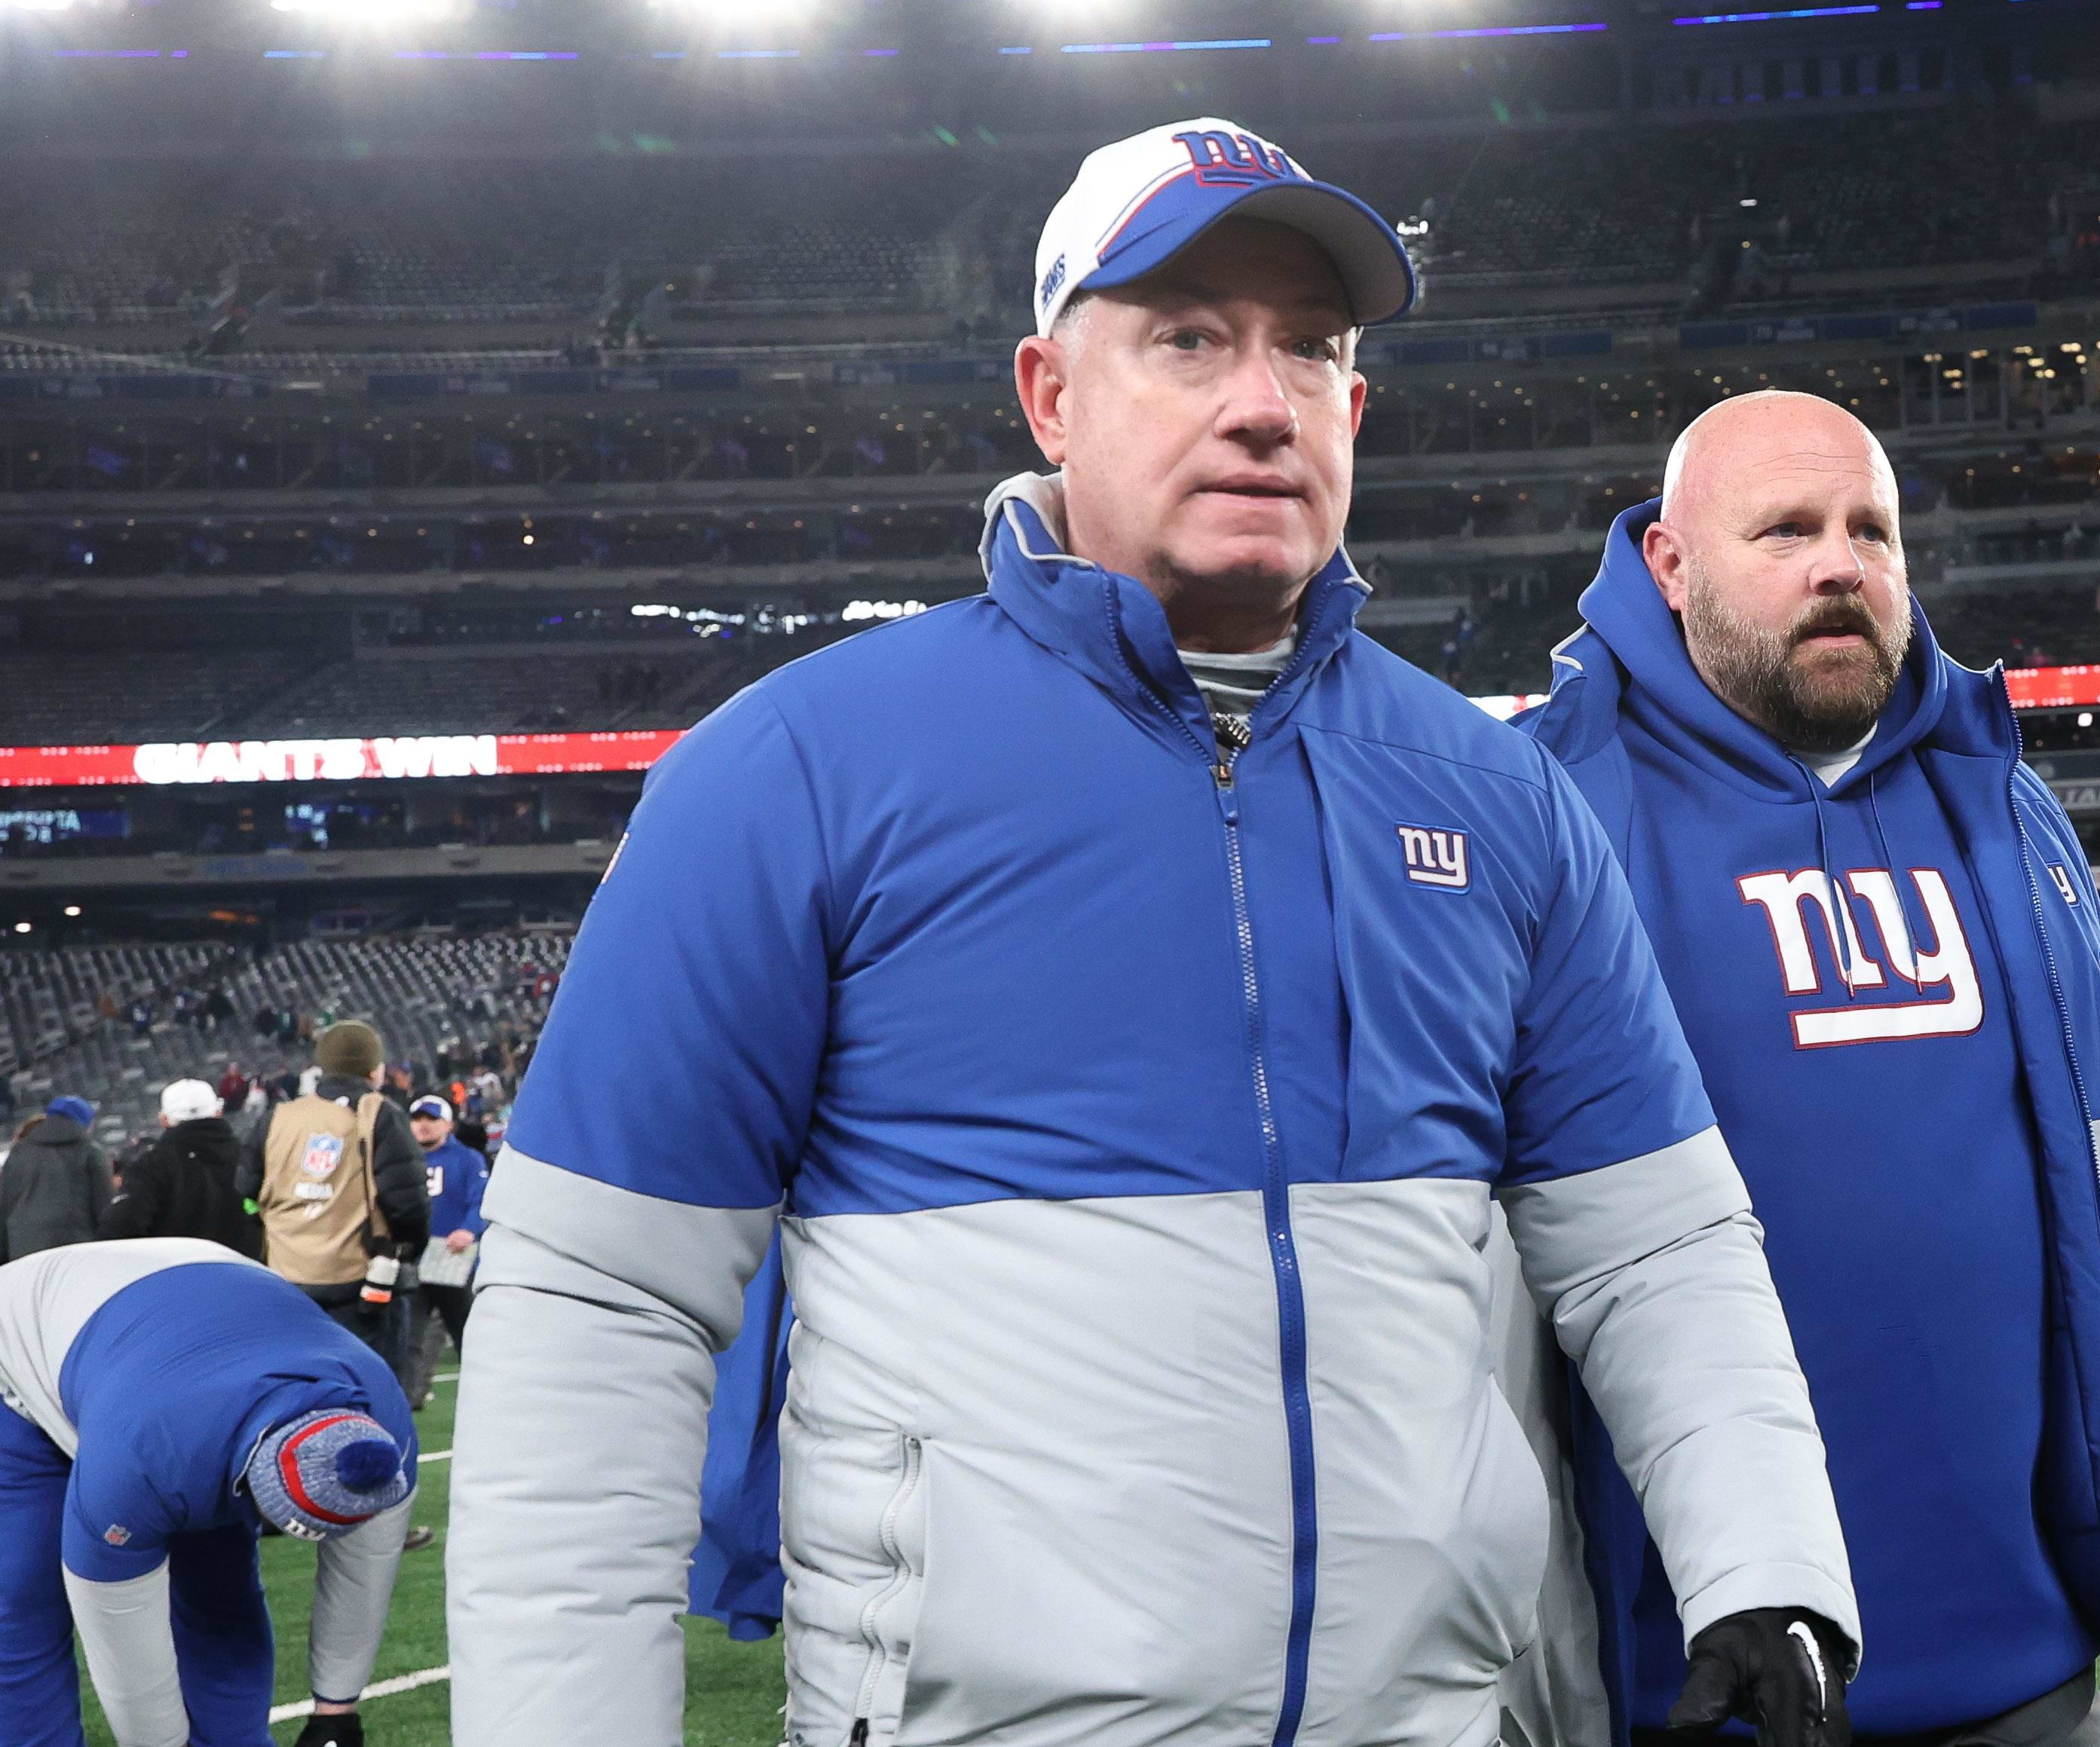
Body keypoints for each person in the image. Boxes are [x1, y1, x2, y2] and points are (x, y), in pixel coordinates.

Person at [454, 121, 1860, 1747]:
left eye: (1310, 350)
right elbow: (597, 1315)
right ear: (1051, 392)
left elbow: (1656, 1244)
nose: (1263, 398)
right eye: (1188, 335)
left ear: (1355, 408)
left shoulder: (1500, 798)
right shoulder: (791, 773)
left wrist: (1763, 1562)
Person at [1520, 388, 2100, 1743]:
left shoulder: (2004, 805)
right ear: (1669, 565)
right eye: (1785, 529)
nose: (1841, 563)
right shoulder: (1543, 808)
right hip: (1692, 1687)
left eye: (1871, 530)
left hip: (2029, 1667)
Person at [0, 1238, 418, 1747]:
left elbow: (364, 1575)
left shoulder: (385, 1425)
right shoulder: (147, 1455)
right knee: (23, 1597)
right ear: (251, 1479)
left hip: (180, 1322)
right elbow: (123, 1643)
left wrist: (338, 1709)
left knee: (221, 1584)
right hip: (19, 1343)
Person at [235, 1022, 427, 1356]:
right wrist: (405, 1249)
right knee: (369, 1391)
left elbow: (245, 1194)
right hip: (360, 1284)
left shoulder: (278, 1117)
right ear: (374, 1069)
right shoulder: (380, 1114)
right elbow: (407, 1206)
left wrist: (276, 1230)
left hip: (288, 1279)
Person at [394, 1097, 488, 1415]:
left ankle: (485, 1396)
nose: (423, 1124)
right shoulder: (400, 1159)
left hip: (454, 1260)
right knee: (410, 1336)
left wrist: (469, 1230)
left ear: (448, 1124)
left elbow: (482, 1203)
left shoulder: (468, 1160)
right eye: (417, 1118)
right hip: (416, 1259)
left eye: (431, 1119)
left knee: (468, 1333)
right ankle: (408, 1399)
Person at [104, 1083, 262, 1259]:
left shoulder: (151, 1166)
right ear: (218, 1112)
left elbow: (120, 1228)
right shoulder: (251, 1157)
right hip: (248, 1275)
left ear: (164, 1120)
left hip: (177, 1276)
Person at [0, 1100, 109, 1264]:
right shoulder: (91, 1153)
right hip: (76, 1253)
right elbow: (104, 1210)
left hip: (24, 1253)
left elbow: (5, 1206)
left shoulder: (18, 1152)